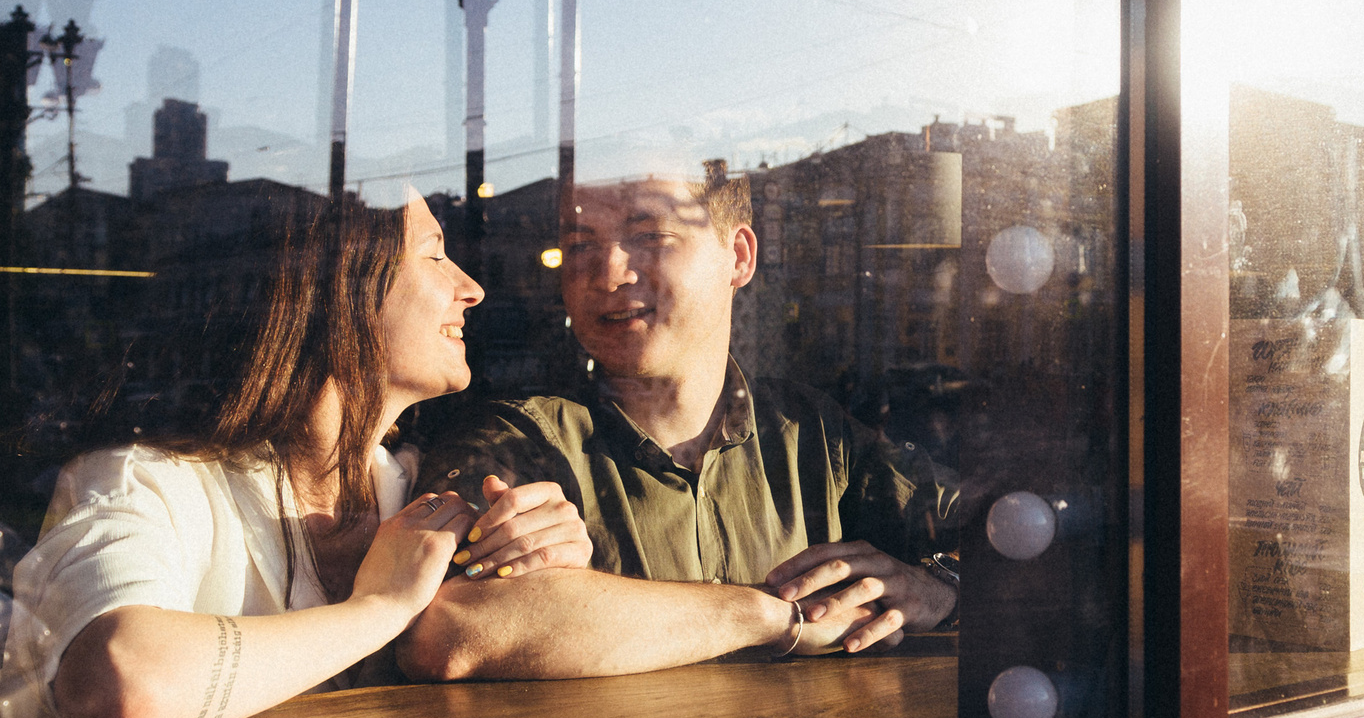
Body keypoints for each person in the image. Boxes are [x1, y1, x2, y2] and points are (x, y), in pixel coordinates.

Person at [0, 193, 594, 718]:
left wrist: (554, 567)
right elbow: (122, 687)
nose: (471, 288)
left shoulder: (420, 488)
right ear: (336, 290)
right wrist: (379, 609)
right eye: (434, 254)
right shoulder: (144, 483)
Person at [397, 168, 959, 682]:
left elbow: (994, 528)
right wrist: (771, 616)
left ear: (738, 256)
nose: (608, 274)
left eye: (649, 236)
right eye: (580, 245)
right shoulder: (517, 444)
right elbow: (450, 628)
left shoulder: (812, 434)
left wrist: (940, 587)